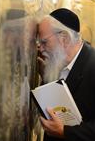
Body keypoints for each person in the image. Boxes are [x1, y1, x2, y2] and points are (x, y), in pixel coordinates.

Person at [37, 8, 95, 141]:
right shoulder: (58, 61)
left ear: (64, 38)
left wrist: (65, 132)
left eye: (44, 42)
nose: (40, 48)